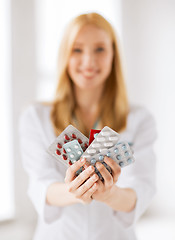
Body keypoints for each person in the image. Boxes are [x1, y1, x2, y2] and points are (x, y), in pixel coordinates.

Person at [19, 12, 157, 240]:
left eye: (100, 49)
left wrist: (109, 194)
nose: (89, 62)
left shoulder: (139, 119)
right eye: (77, 49)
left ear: (114, 54)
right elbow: (41, 185)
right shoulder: (35, 116)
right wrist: (75, 191)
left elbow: (141, 189)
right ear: (65, 55)